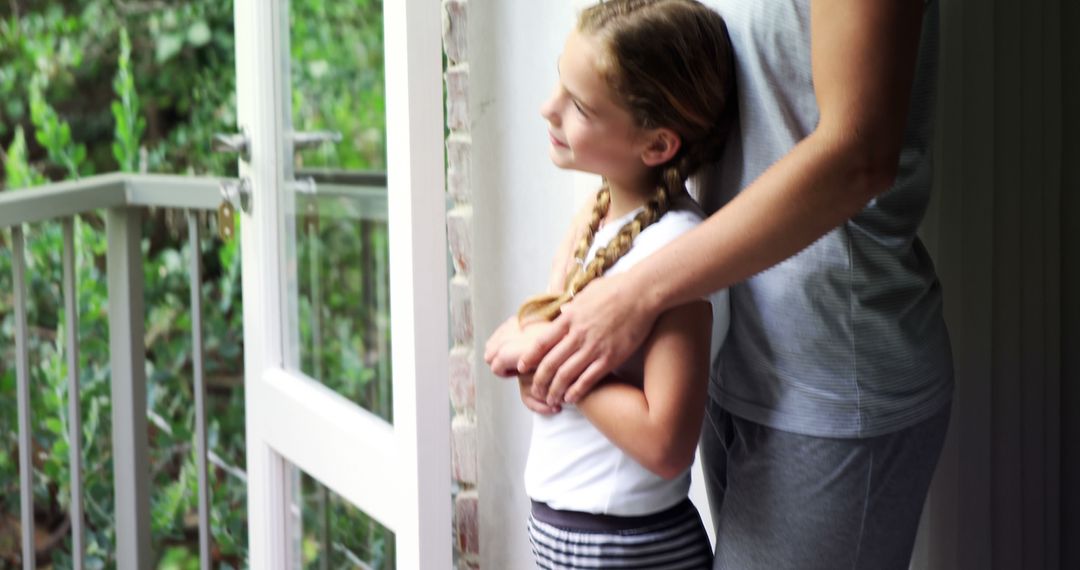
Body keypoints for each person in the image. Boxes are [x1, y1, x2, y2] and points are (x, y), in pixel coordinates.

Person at [487, 0, 953, 569]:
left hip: (830, 368)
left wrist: (630, 297)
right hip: (731, 362)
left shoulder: (657, 276)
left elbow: (859, 156)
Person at [484, 0, 737, 567]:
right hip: (567, 537)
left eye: (578, 104)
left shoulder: (675, 252)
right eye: (558, 84)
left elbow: (666, 441)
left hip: (628, 549)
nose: (548, 109)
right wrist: (539, 369)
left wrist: (550, 363)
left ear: (656, 145)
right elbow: (547, 364)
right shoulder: (593, 220)